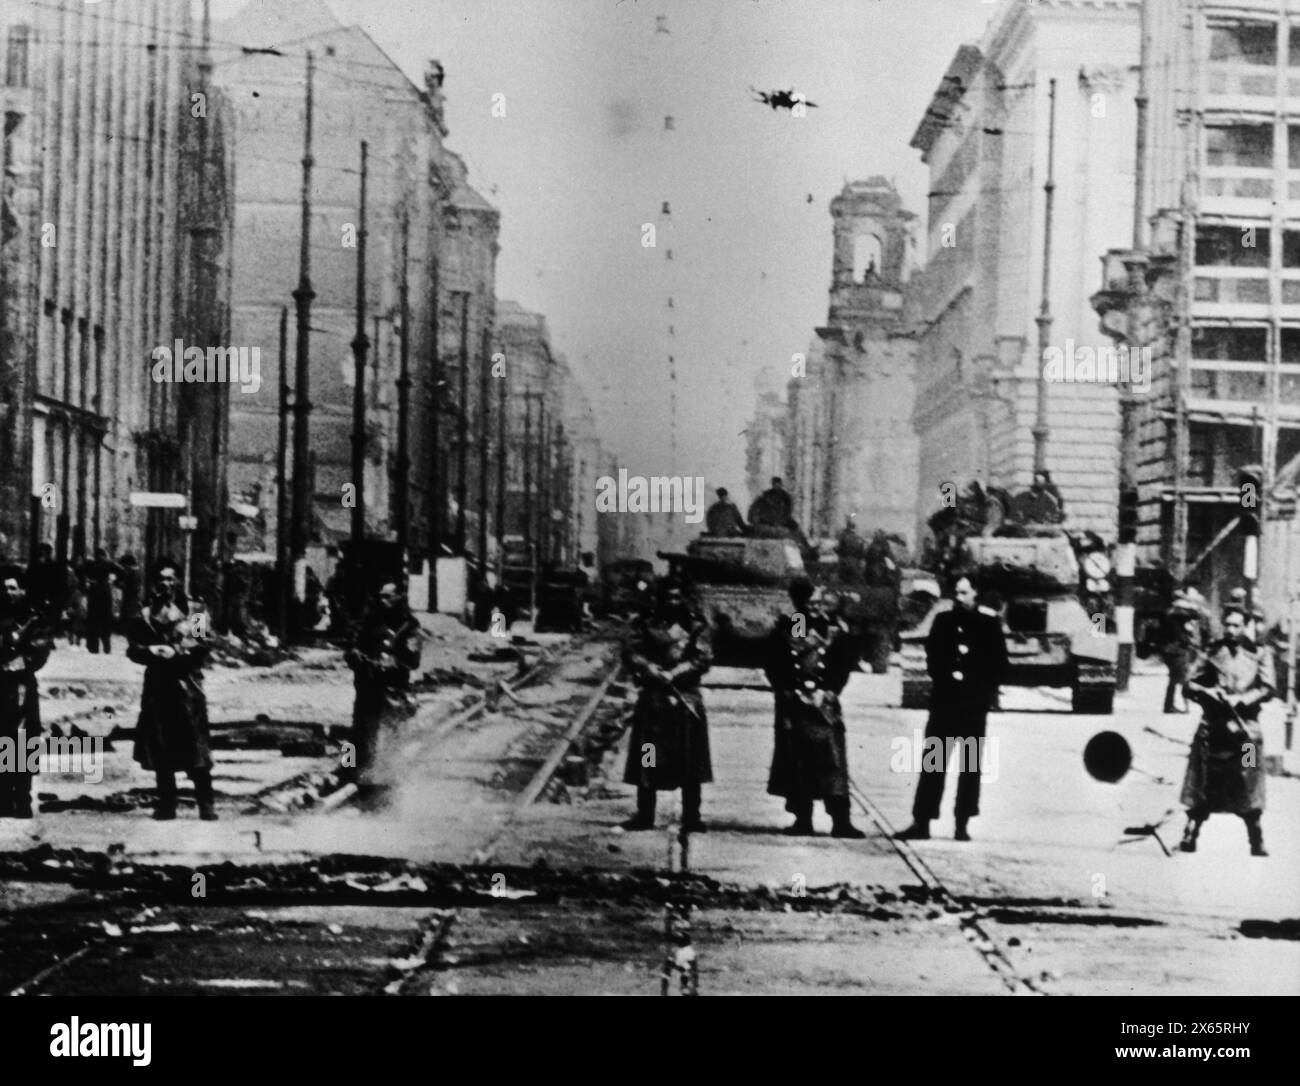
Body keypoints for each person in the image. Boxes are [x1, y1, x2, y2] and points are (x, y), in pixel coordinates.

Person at [894, 574, 1008, 842]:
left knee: (969, 768)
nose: (959, 597)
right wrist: (947, 679)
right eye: (956, 592)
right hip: (945, 703)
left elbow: (999, 664)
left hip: (973, 706)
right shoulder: (943, 620)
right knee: (933, 764)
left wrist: (979, 688)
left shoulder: (989, 624)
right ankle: (921, 822)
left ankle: (962, 823)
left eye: (964, 592)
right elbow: (933, 657)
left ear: (975, 594)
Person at [763, 578, 864, 837]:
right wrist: (794, 690)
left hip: (824, 703)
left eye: (820, 602)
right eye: (811, 603)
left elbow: (841, 662)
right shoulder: (798, 624)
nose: (818, 607)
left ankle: (839, 821)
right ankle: (806, 820)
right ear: (800, 603)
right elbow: (790, 657)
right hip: (798, 703)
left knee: (832, 763)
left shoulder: (831, 626)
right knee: (802, 763)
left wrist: (830, 690)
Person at [1179, 603, 1275, 857]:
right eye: (1228, 625)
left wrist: (1243, 699)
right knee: (1203, 778)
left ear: (1245, 626)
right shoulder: (1212, 651)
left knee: (1250, 776)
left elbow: (1268, 688)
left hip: (1246, 732)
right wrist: (1207, 691)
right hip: (1214, 727)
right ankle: (1191, 830)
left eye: (1237, 625)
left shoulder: (1260, 653)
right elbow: (1188, 684)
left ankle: (1256, 836)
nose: (1232, 630)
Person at [620, 578, 713, 832]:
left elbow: (703, 658)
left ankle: (692, 816)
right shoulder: (645, 624)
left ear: (684, 599)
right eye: (668, 598)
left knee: (689, 760)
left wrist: (677, 672)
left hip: (686, 698)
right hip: (654, 700)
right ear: (659, 600)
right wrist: (648, 668)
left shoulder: (695, 625)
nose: (673, 602)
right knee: (648, 758)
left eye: (677, 597)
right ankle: (645, 814)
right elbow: (631, 652)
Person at [127, 563, 215, 820]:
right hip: (158, 687)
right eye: (160, 580)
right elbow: (133, 649)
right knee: (160, 745)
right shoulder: (143, 615)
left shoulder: (196, 611)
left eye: (170, 579)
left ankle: (206, 803)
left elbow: (203, 644)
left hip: (187, 686)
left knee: (196, 747)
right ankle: (166, 803)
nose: (165, 585)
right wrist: (151, 651)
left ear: (178, 581)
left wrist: (177, 651)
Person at [345, 581, 423, 788]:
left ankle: (390, 774)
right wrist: (355, 656)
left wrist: (392, 663)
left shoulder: (410, 626)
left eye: (388, 597)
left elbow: (413, 659)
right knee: (359, 729)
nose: (383, 601)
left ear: (400, 597)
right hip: (367, 682)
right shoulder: (368, 620)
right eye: (381, 597)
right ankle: (348, 767)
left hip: (393, 686)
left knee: (393, 729)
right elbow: (352, 644)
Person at [0, 574, 52, 818]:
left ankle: (22, 798)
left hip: (21, 687)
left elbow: (40, 652)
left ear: (23, 590)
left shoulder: (34, 619)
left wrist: (19, 663)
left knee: (23, 741)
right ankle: (4, 797)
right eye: (5, 588)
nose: (8, 593)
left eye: (13, 588)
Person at [1162, 594, 1205, 714]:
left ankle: (1171, 704)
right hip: (1176, 651)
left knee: (1175, 679)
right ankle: (1175, 704)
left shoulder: (1173, 618)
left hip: (1172, 650)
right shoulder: (1177, 622)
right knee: (1180, 678)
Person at [80, 548, 119, 654]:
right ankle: (107, 646)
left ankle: (93, 647)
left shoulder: (90, 564)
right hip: (105, 592)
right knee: (105, 619)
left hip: (93, 591)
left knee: (93, 620)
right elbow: (122, 572)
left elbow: (79, 571)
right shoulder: (108, 564)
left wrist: (86, 582)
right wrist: (115, 582)